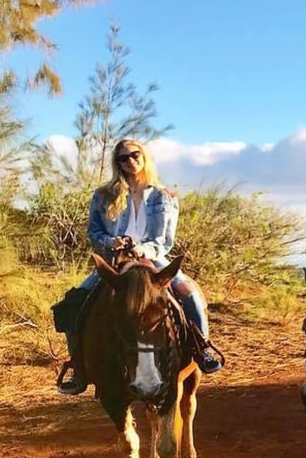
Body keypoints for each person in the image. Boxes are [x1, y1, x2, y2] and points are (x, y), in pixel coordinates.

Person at [57, 139, 224, 395]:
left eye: (134, 155)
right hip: (115, 261)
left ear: (143, 157)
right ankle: (79, 366)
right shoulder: (104, 195)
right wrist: (111, 242)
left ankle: (203, 347)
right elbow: (94, 232)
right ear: (118, 163)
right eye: (123, 158)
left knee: (189, 294)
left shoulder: (163, 196)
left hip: (152, 260)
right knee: (73, 303)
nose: (130, 161)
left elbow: (164, 240)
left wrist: (141, 249)